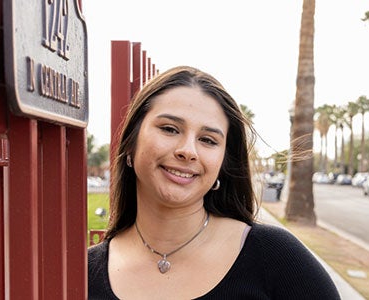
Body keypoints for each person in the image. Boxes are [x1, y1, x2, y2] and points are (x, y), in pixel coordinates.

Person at [88, 66, 341, 299]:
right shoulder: (84, 274)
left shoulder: (275, 258)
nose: (188, 151)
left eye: (208, 140)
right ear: (131, 145)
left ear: (222, 163)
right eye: (169, 129)